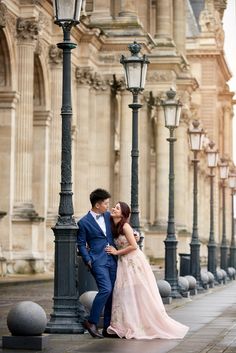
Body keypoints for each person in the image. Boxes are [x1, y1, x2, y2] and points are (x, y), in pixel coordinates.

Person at [105, 201, 189, 340]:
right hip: (124, 263)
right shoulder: (113, 225)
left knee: (137, 292)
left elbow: (133, 246)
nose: (113, 208)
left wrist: (116, 252)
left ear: (123, 213)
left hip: (133, 262)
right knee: (124, 293)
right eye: (114, 206)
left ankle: (138, 324)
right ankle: (125, 323)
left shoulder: (125, 226)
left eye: (117, 208)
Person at [77, 188, 118, 339]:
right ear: (97, 204)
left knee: (112, 293)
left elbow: (122, 226)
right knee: (106, 289)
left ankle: (108, 327)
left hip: (112, 261)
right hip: (97, 261)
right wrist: (88, 260)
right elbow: (81, 244)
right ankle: (92, 322)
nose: (108, 206)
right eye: (106, 203)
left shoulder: (108, 216)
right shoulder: (83, 222)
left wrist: (135, 234)